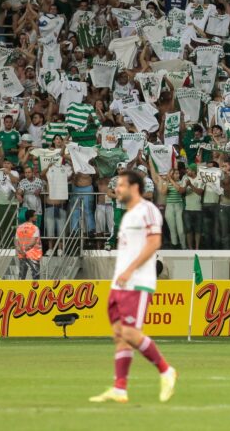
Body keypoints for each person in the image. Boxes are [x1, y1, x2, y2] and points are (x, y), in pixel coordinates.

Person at [90, 170, 177, 404]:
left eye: (120, 185)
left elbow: (154, 242)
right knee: (119, 336)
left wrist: (130, 270)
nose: (116, 189)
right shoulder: (127, 215)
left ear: (134, 187)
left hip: (137, 282)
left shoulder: (147, 210)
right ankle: (120, 388)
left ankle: (166, 370)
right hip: (120, 283)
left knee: (130, 332)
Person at [15, 210, 43, 280]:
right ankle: (35, 291)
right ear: (31, 218)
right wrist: (25, 250)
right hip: (33, 254)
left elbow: (16, 241)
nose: (37, 217)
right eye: (35, 215)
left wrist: (20, 249)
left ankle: (20, 290)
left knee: (21, 276)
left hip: (22, 254)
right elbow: (33, 242)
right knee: (35, 275)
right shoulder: (34, 228)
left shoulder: (19, 227)